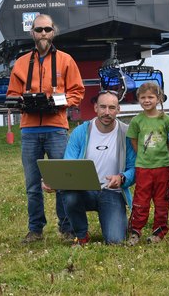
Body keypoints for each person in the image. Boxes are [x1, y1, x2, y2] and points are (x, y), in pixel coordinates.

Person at [7, 13, 85, 244]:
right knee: (32, 185)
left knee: (62, 181)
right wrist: (23, 102)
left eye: (47, 29)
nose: (43, 34)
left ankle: (67, 228)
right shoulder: (20, 63)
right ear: (31, 33)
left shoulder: (66, 60)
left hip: (56, 128)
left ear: (54, 32)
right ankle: (35, 229)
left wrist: (56, 102)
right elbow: (12, 94)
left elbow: (77, 92)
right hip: (29, 130)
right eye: (38, 30)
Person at [44, 90, 136, 246]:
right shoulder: (80, 132)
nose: (107, 112)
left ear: (118, 110)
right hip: (84, 191)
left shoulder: (126, 133)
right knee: (69, 194)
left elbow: (134, 167)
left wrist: (122, 178)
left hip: (112, 192)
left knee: (115, 241)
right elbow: (68, 166)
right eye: (103, 107)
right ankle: (81, 234)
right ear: (95, 108)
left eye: (112, 108)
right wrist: (53, 181)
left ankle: (118, 222)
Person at [126, 82, 169, 245]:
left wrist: (165, 157)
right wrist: (142, 155)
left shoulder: (166, 119)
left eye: (151, 97)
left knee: (162, 200)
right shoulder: (136, 121)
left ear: (159, 98)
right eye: (143, 97)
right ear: (138, 99)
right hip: (143, 167)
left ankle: (158, 232)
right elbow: (133, 139)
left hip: (163, 167)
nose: (147, 100)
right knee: (141, 199)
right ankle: (135, 231)